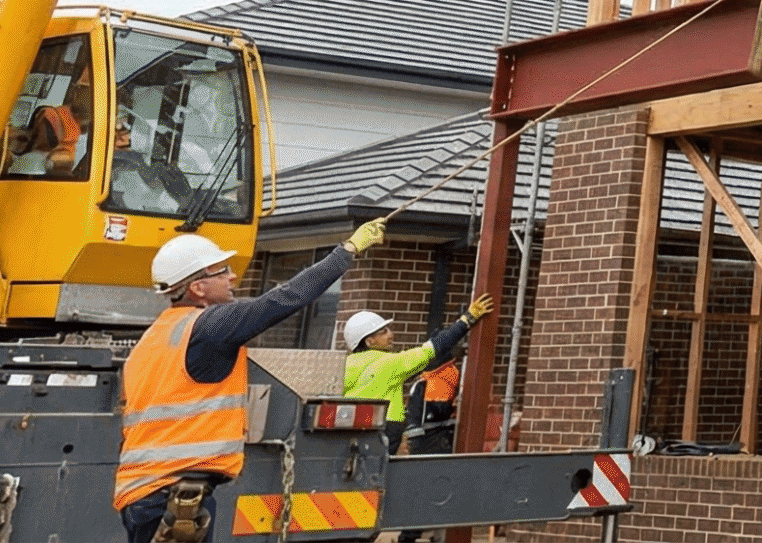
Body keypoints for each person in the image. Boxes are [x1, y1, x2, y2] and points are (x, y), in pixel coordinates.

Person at [116, 218, 389, 543]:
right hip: (171, 497)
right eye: (222, 270)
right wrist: (347, 250)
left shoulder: (157, 336)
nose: (233, 276)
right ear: (197, 288)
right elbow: (283, 299)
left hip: (151, 493)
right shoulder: (209, 326)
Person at [342, 293, 495, 450]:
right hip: (384, 427)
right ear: (369, 341)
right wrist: (466, 320)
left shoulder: (344, 364)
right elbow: (432, 348)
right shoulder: (390, 363)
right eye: (383, 331)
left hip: (349, 426)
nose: (390, 335)